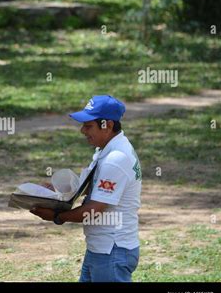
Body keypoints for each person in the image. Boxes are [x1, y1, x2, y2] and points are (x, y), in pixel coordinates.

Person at [30, 95, 142, 282]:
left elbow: (94, 210)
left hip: (111, 251)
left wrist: (57, 217)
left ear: (107, 125)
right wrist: (56, 191)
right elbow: (88, 185)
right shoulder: (105, 150)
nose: (82, 131)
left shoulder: (116, 159)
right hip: (101, 249)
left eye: (88, 126)